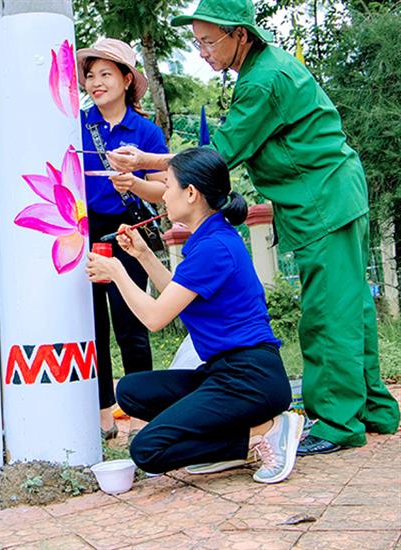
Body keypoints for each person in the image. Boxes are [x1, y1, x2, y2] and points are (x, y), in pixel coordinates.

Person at [106, 0, 399, 455]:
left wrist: (145, 161)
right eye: (196, 41)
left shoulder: (263, 80)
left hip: (322, 199)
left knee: (328, 314)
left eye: (208, 40)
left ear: (240, 35)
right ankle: (374, 408)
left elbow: (219, 153)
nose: (201, 51)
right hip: (328, 197)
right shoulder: (260, 72)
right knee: (353, 306)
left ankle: (339, 422)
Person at [87, 147, 301, 483]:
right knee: (130, 391)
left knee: (148, 450)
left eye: (168, 185)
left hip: (249, 378)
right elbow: (176, 295)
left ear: (190, 193)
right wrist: (142, 254)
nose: (163, 195)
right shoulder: (209, 239)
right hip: (222, 372)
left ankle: (263, 432)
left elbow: (156, 318)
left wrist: (117, 272)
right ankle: (235, 438)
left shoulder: (213, 248)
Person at [76, 38, 169, 439]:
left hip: (130, 233)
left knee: (131, 323)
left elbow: (164, 188)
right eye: (91, 75)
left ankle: (142, 414)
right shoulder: (75, 123)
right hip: (85, 232)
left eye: (106, 75)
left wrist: (133, 182)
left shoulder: (146, 132)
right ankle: (101, 413)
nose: (96, 83)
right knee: (92, 324)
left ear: (127, 79)